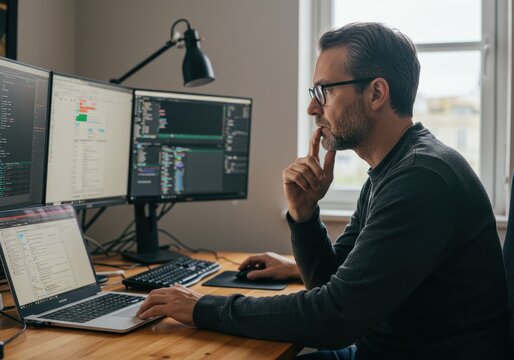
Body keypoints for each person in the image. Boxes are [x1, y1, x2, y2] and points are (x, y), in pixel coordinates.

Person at [136, 22, 509, 359]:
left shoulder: (420, 179)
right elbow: (331, 282)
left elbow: (333, 318)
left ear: (376, 92)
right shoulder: (392, 169)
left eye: (324, 91)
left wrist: (203, 308)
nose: (313, 106)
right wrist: (304, 214)